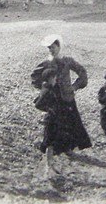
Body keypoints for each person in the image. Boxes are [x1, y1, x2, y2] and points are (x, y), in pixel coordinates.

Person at [30, 34, 91, 174]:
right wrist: (44, 86)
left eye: (54, 47)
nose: (51, 50)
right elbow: (34, 77)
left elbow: (82, 72)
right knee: (54, 124)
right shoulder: (46, 63)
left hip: (67, 97)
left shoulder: (67, 61)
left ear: (59, 47)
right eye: (49, 48)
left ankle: (67, 148)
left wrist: (75, 86)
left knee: (71, 123)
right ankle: (52, 153)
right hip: (54, 99)